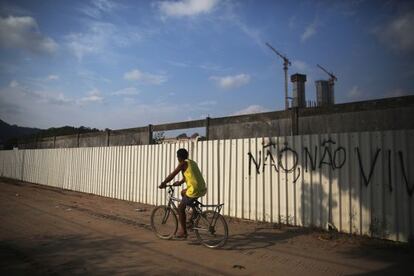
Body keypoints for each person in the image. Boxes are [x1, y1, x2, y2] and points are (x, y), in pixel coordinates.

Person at [159, 148, 207, 239]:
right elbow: (188, 176)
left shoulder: (183, 163)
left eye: (177, 157)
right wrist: (179, 183)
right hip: (202, 188)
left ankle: (183, 232)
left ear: (179, 157)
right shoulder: (191, 162)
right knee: (183, 192)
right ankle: (194, 212)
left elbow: (172, 174)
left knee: (180, 208)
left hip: (194, 189)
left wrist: (163, 183)